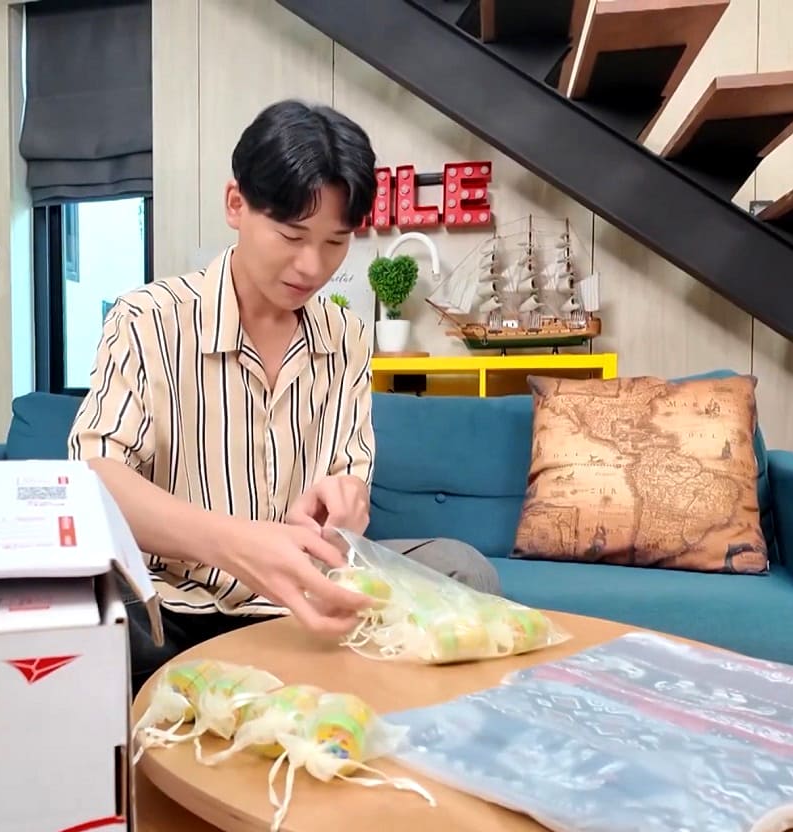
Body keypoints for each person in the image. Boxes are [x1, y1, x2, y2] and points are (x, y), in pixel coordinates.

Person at [68, 99, 499, 692]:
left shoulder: (346, 336)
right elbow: (96, 480)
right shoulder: (149, 318)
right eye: (292, 235)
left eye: (335, 241)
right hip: (174, 606)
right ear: (236, 204)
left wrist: (347, 505)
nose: (312, 266)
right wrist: (235, 544)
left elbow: (349, 477)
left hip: (308, 599)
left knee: (463, 570)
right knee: (84, 614)